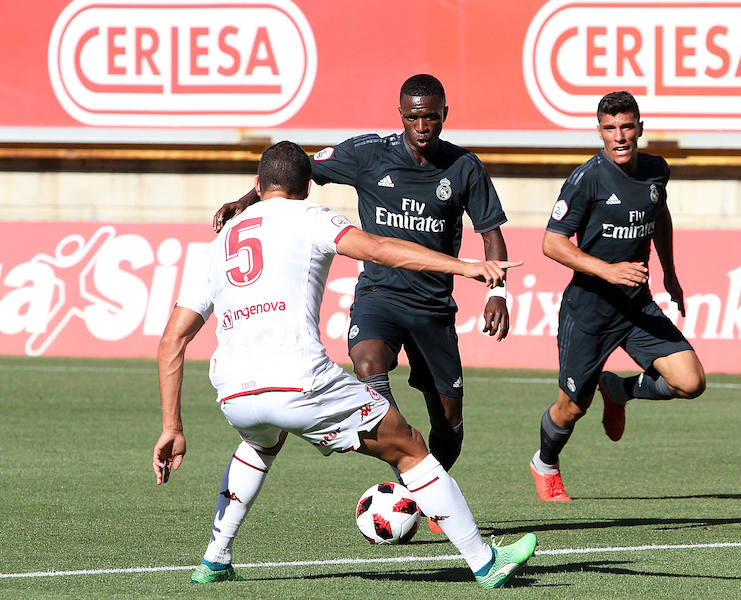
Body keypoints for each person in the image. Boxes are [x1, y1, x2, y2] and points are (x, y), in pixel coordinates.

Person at [153, 141, 535, 588]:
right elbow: (379, 249)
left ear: (258, 186)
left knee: (259, 444)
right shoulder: (310, 218)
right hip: (301, 384)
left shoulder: (218, 244)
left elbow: (172, 340)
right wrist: (465, 266)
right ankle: (486, 562)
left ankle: (215, 559)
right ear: (306, 187)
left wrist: (171, 427)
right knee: (410, 445)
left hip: (236, 394)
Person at [215, 74, 510, 532]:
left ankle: (425, 485)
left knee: (449, 421)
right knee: (368, 359)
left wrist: (497, 292)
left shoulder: (465, 167)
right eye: (412, 117)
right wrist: (246, 200)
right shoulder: (368, 154)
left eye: (430, 116)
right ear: (401, 115)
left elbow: (490, 233)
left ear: (444, 115)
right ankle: (399, 451)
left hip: (433, 306)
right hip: (379, 293)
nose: (422, 125)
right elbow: (295, 171)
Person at [529, 91, 706, 502]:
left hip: (636, 305)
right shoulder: (586, 179)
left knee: (691, 381)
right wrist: (608, 270)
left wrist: (670, 273)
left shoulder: (656, 171)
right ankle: (545, 463)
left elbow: (658, 214)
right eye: (610, 128)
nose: (620, 136)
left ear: (640, 128)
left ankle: (620, 390)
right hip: (589, 311)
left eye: (627, 126)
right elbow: (552, 244)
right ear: (600, 132)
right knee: (572, 408)